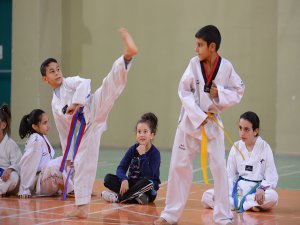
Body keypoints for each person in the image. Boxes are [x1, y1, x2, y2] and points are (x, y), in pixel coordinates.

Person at [40, 27, 138, 218]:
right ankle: (82, 206)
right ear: (45, 79)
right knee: (82, 161)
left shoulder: (69, 82)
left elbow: (85, 82)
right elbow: (64, 130)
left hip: (91, 107)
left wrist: (77, 102)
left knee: (110, 86)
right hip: (88, 127)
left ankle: (126, 58)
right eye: (52, 72)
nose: (57, 73)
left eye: (58, 69)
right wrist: (68, 155)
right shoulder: (54, 104)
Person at [154, 25, 245, 225]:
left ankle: (222, 217)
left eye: (200, 45)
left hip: (212, 124)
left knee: (220, 170)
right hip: (189, 123)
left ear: (212, 47)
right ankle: (170, 215)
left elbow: (239, 90)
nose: (196, 49)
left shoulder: (227, 67)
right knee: (179, 168)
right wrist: (197, 115)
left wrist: (220, 93)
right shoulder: (193, 64)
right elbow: (183, 91)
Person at [201, 111, 279, 213]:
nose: (242, 133)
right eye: (240, 128)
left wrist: (262, 189)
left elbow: (271, 176)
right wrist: (225, 192)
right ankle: (248, 206)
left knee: (273, 196)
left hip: (256, 191)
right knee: (207, 196)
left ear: (255, 131)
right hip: (238, 190)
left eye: (246, 129)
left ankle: (234, 205)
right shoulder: (236, 147)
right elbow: (229, 175)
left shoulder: (264, 147)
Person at [101, 112, 161, 204]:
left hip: (147, 190)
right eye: (139, 132)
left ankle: (118, 198)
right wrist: (124, 180)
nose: (142, 134)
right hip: (132, 184)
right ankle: (136, 197)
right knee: (108, 178)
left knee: (148, 182)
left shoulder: (155, 154)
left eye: (145, 132)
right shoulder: (132, 149)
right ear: (136, 135)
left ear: (152, 135)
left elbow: (148, 175)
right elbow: (121, 168)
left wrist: (142, 155)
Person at [18, 109, 74, 198]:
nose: (49, 126)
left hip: (45, 179)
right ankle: (71, 190)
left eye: (47, 122)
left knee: (69, 160)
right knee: (54, 166)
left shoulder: (41, 137)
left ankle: (79, 187)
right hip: (38, 184)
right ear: (35, 126)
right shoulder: (35, 140)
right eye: (44, 123)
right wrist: (24, 189)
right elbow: (27, 165)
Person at [0, 103, 22, 197]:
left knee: (13, 176)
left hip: (8, 180)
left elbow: (19, 165)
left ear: (3, 125)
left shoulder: (11, 144)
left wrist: (9, 169)